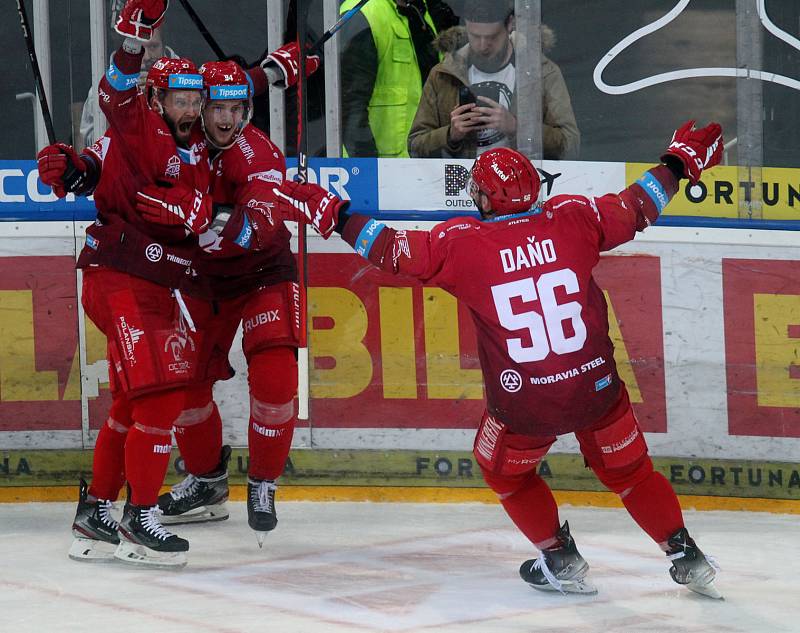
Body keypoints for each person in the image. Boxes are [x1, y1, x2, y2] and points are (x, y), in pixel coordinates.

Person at [271, 120, 725, 599]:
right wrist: (678, 163)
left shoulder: (461, 242)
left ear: (486, 199)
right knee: (631, 475)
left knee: (503, 471)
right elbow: (639, 205)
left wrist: (334, 213)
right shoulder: (574, 216)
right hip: (597, 387)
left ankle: (560, 557)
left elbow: (390, 250)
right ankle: (685, 555)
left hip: (527, 403)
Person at [140, 61, 303, 546]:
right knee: (185, 389)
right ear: (197, 105)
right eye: (217, 108)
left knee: (276, 381)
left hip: (261, 272)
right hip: (202, 279)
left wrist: (208, 221)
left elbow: (261, 226)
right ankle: (207, 481)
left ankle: (263, 482)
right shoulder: (171, 138)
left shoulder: (258, 155)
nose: (228, 120)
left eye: (238, 109)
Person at [407, 0, 579, 159]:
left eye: (492, 37)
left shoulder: (542, 72)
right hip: (463, 184)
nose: (483, 46)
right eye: (475, 36)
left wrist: (517, 128)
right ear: (466, 26)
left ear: (510, 24)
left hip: (520, 184)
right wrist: (451, 135)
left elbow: (570, 145)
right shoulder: (443, 74)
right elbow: (414, 146)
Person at [339, 0, 458, 157]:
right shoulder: (363, 14)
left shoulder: (423, 11)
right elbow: (350, 107)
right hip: (381, 169)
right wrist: (368, 171)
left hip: (423, 164)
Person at [78, 24, 178, 151]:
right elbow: (92, 145)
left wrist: (164, 100)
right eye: (138, 47)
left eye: (153, 47)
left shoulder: (187, 84)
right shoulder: (102, 89)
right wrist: (120, 104)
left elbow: (196, 142)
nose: (146, 56)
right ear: (124, 48)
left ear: (164, 46)